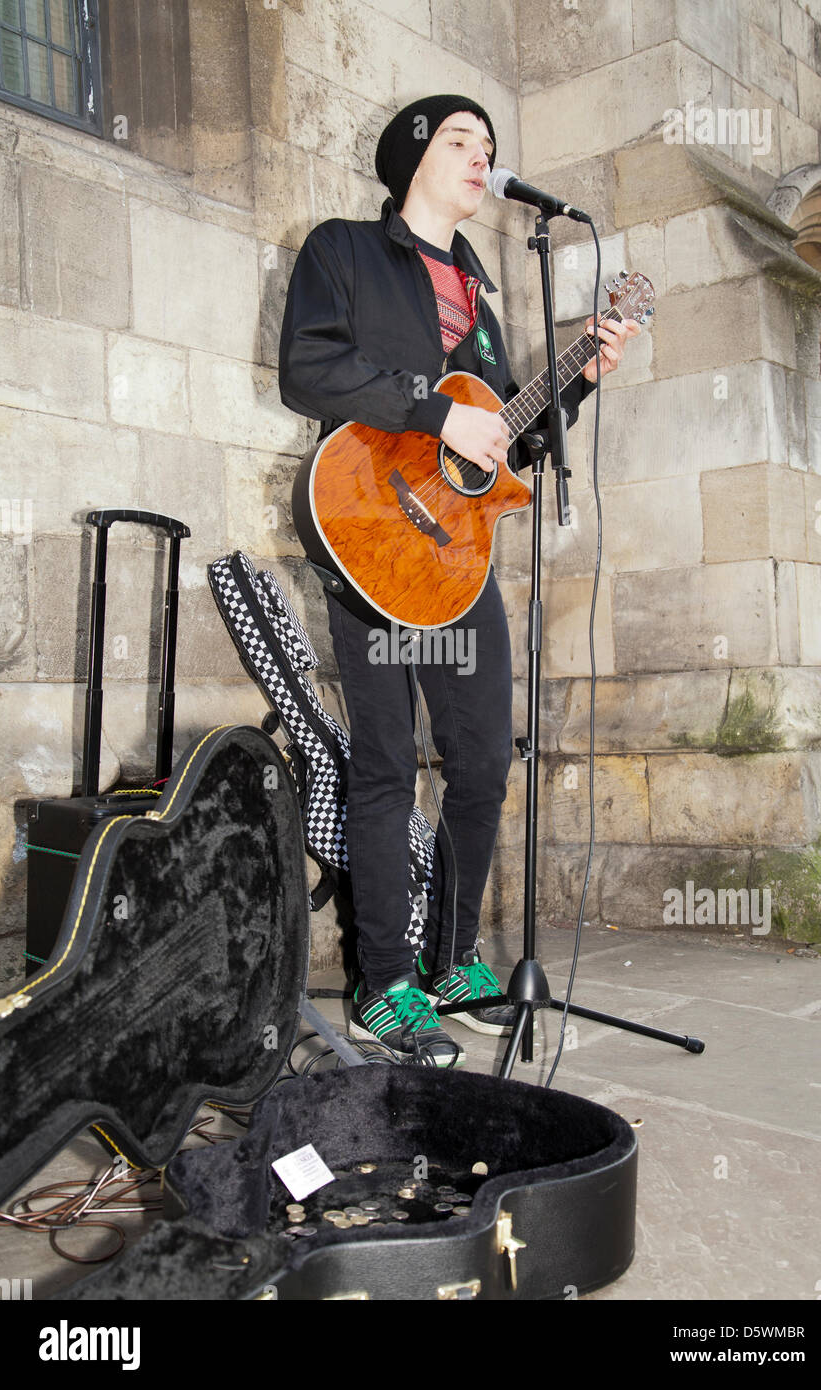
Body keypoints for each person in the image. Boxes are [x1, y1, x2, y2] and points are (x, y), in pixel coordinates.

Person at [279, 94, 638, 1065]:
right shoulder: (343, 251)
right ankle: (381, 982)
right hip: (371, 540)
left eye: (489, 145)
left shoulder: (481, 293)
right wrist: (430, 415)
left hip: (457, 559)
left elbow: (500, 431)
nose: (483, 158)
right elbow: (308, 370)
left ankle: (450, 960)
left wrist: (576, 378)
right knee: (388, 763)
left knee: (482, 760)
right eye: (460, 141)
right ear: (411, 158)